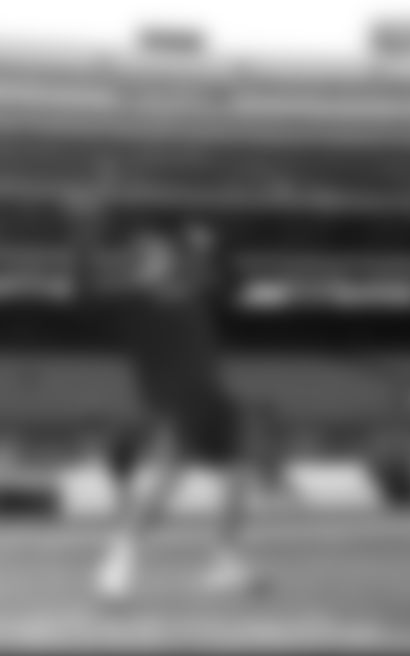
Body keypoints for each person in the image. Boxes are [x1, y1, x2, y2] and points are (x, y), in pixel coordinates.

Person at [63, 190, 263, 602]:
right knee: (165, 482)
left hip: (212, 397)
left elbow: (236, 288)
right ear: (139, 265)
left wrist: (216, 248)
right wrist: (83, 230)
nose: (154, 258)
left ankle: (224, 562)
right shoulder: (132, 304)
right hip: (171, 401)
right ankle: (119, 560)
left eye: (159, 252)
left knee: (239, 478)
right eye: (145, 255)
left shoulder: (192, 292)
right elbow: (83, 291)